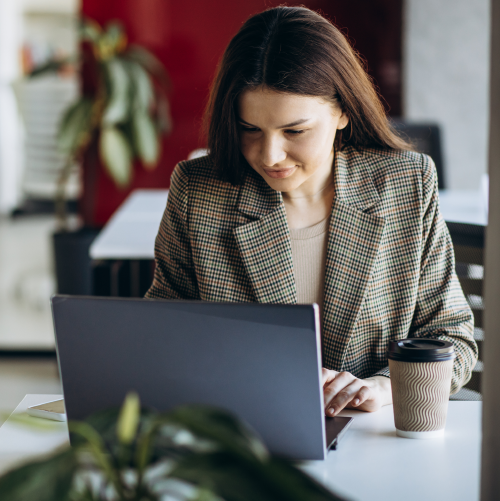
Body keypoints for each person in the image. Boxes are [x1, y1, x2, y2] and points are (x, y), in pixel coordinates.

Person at [145, 6, 477, 417]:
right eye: (250, 129)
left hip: (369, 437)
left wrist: (383, 386)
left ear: (341, 111)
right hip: (244, 434)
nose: (270, 155)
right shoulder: (199, 192)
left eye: (294, 131)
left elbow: (453, 339)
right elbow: (163, 338)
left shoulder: (406, 184)